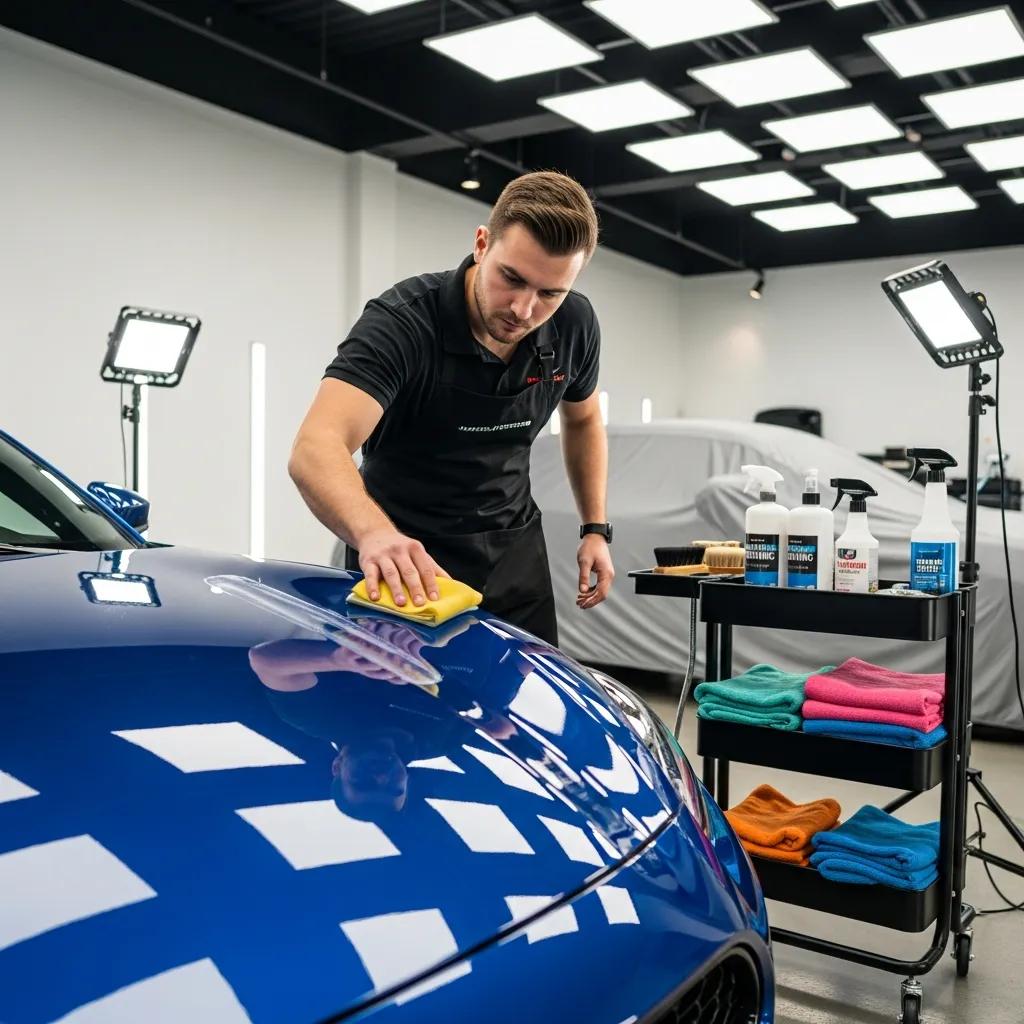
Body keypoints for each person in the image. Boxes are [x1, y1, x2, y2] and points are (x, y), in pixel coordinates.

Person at [289, 171, 614, 645]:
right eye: (512, 278)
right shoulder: (403, 324)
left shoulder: (575, 324)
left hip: (515, 556)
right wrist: (375, 535)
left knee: (524, 692)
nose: (523, 310)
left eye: (550, 293)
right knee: (404, 692)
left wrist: (595, 528)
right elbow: (316, 446)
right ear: (482, 244)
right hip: (405, 565)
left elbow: (583, 419)